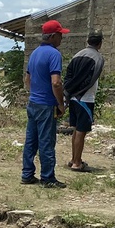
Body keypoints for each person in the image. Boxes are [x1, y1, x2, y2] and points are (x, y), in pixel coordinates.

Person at [21, 19, 69, 188]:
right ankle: (48, 178)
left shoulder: (34, 53)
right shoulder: (54, 54)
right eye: (60, 35)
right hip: (46, 105)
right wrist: (61, 103)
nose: (62, 39)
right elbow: (56, 82)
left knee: (31, 141)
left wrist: (35, 93)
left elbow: (27, 80)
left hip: (33, 102)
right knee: (47, 142)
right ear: (53, 36)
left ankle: (27, 174)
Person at [63, 30, 106, 172]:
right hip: (85, 99)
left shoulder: (77, 55)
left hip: (74, 98)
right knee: (81, 131)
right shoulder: (97, 58)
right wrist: (81, 92)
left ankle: (75, 159)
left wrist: (69, 93)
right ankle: (76, 163)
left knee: (76, 130)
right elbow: (91, 78)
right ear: (100, 43)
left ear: (88, 41)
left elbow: (68, 75)